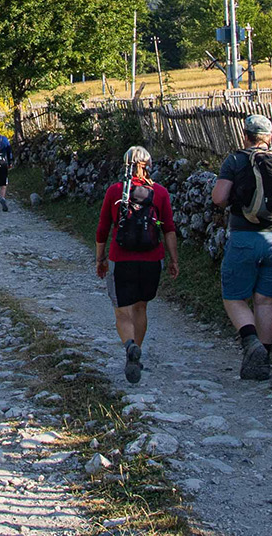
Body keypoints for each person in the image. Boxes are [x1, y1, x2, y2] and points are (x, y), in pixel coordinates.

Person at [210, 114, 272, 380]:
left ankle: (250, 341)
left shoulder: (236, 160)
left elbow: (218, 198)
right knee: (265, 300)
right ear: (270, 136)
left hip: (244, 236)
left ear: (245, 135)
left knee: (233, 297)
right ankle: (263, 361)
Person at [95, 146, 178, 384]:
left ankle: (130, 346)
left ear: (125, 165)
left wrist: (100, 259)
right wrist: (173, 260)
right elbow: (168, 229)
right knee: (141, 308)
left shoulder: (115, 191)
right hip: (152, 260)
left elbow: (103, 228)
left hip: (121, 259)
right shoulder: (160, 193)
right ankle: (137, 353)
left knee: (123, 311)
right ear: (148, 165)